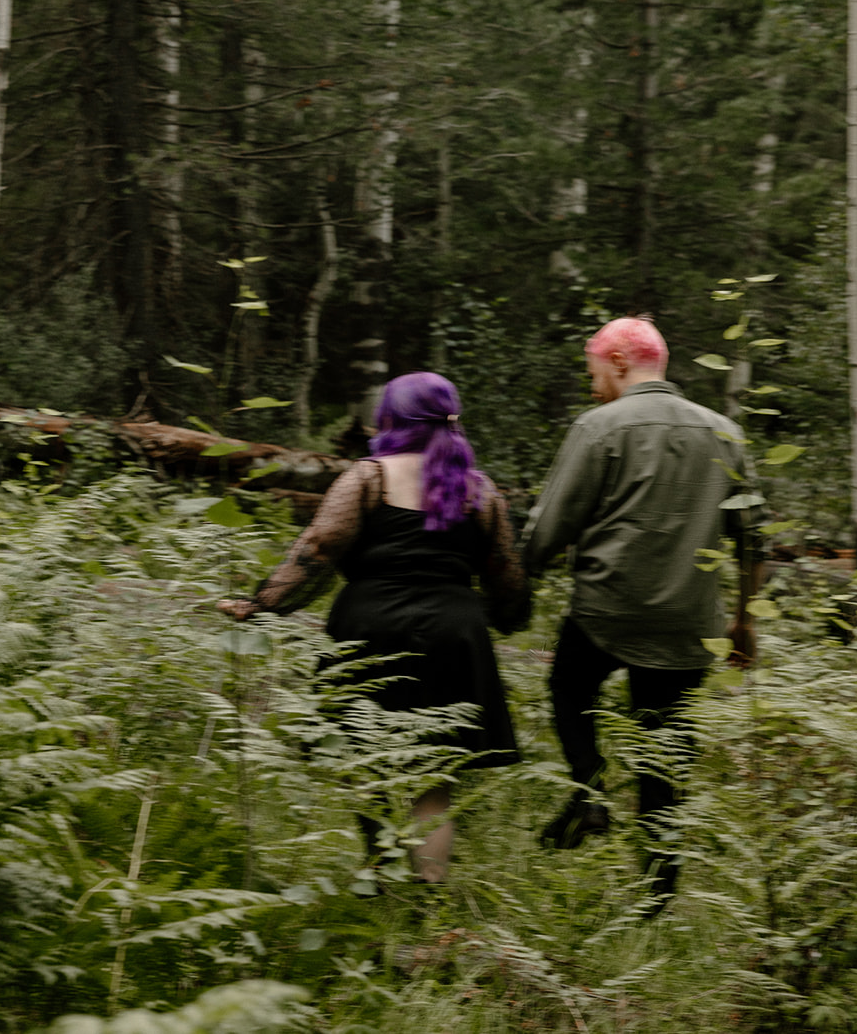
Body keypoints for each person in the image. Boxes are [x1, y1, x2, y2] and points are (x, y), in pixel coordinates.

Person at [219, 371, 529, 884]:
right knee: (436, 777)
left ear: (392, 417)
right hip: (453, 633)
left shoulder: (370, 475)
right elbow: (505, 569)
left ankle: (381, 878)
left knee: (365, 760)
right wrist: (510, 616)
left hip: (371, 624)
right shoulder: (479, 488)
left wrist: (263, 603)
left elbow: (319, 547)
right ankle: (429, 896)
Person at [522, 315, 760, 899]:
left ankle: (591, 794)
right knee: (666, 750)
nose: (593, 382)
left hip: (607, 610)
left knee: (570, 689)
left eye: (595, 370)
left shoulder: (600, 426)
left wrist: (518, 577)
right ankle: (657, 893)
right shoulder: (726, 433)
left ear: (621, 361)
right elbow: (754, 540)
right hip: (687, 622)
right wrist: (744, 619)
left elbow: (552, 525)